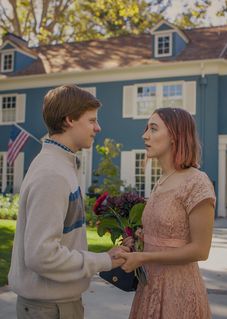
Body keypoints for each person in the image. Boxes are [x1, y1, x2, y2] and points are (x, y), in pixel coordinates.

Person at [8, 85, 128, 319]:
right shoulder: (52, 173)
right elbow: (42, 255)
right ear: (70, 119)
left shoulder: (60, 166)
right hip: (49, 309)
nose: (98, 127)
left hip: (56, 304)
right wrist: (104, 260)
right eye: (91, 120)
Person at [117, 107, 216, 319]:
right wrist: (137, 241)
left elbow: (201, 250)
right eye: (146, 129)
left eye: (153, 129)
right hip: (149, 286)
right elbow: (165, 234)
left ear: (175, 136)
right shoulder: (161, 181)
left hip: (179, 290)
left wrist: (144, 256)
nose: (145, 135)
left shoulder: (196, 182)